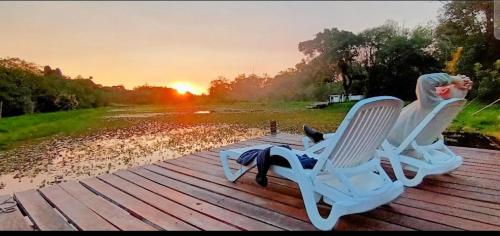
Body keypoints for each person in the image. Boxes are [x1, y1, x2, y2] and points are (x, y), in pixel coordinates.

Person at [304, 73, 473, 147]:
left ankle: (322, 139)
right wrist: (459, 84)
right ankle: (323, 137)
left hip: (390, 138)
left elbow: (424, 80)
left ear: (445, 90)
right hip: (408, 138)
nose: (442, 85)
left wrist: (453, 78)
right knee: (359, 128)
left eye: (446, 85)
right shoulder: (449, 104)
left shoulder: (432, 102)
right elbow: (435, 83)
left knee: (356, 129)